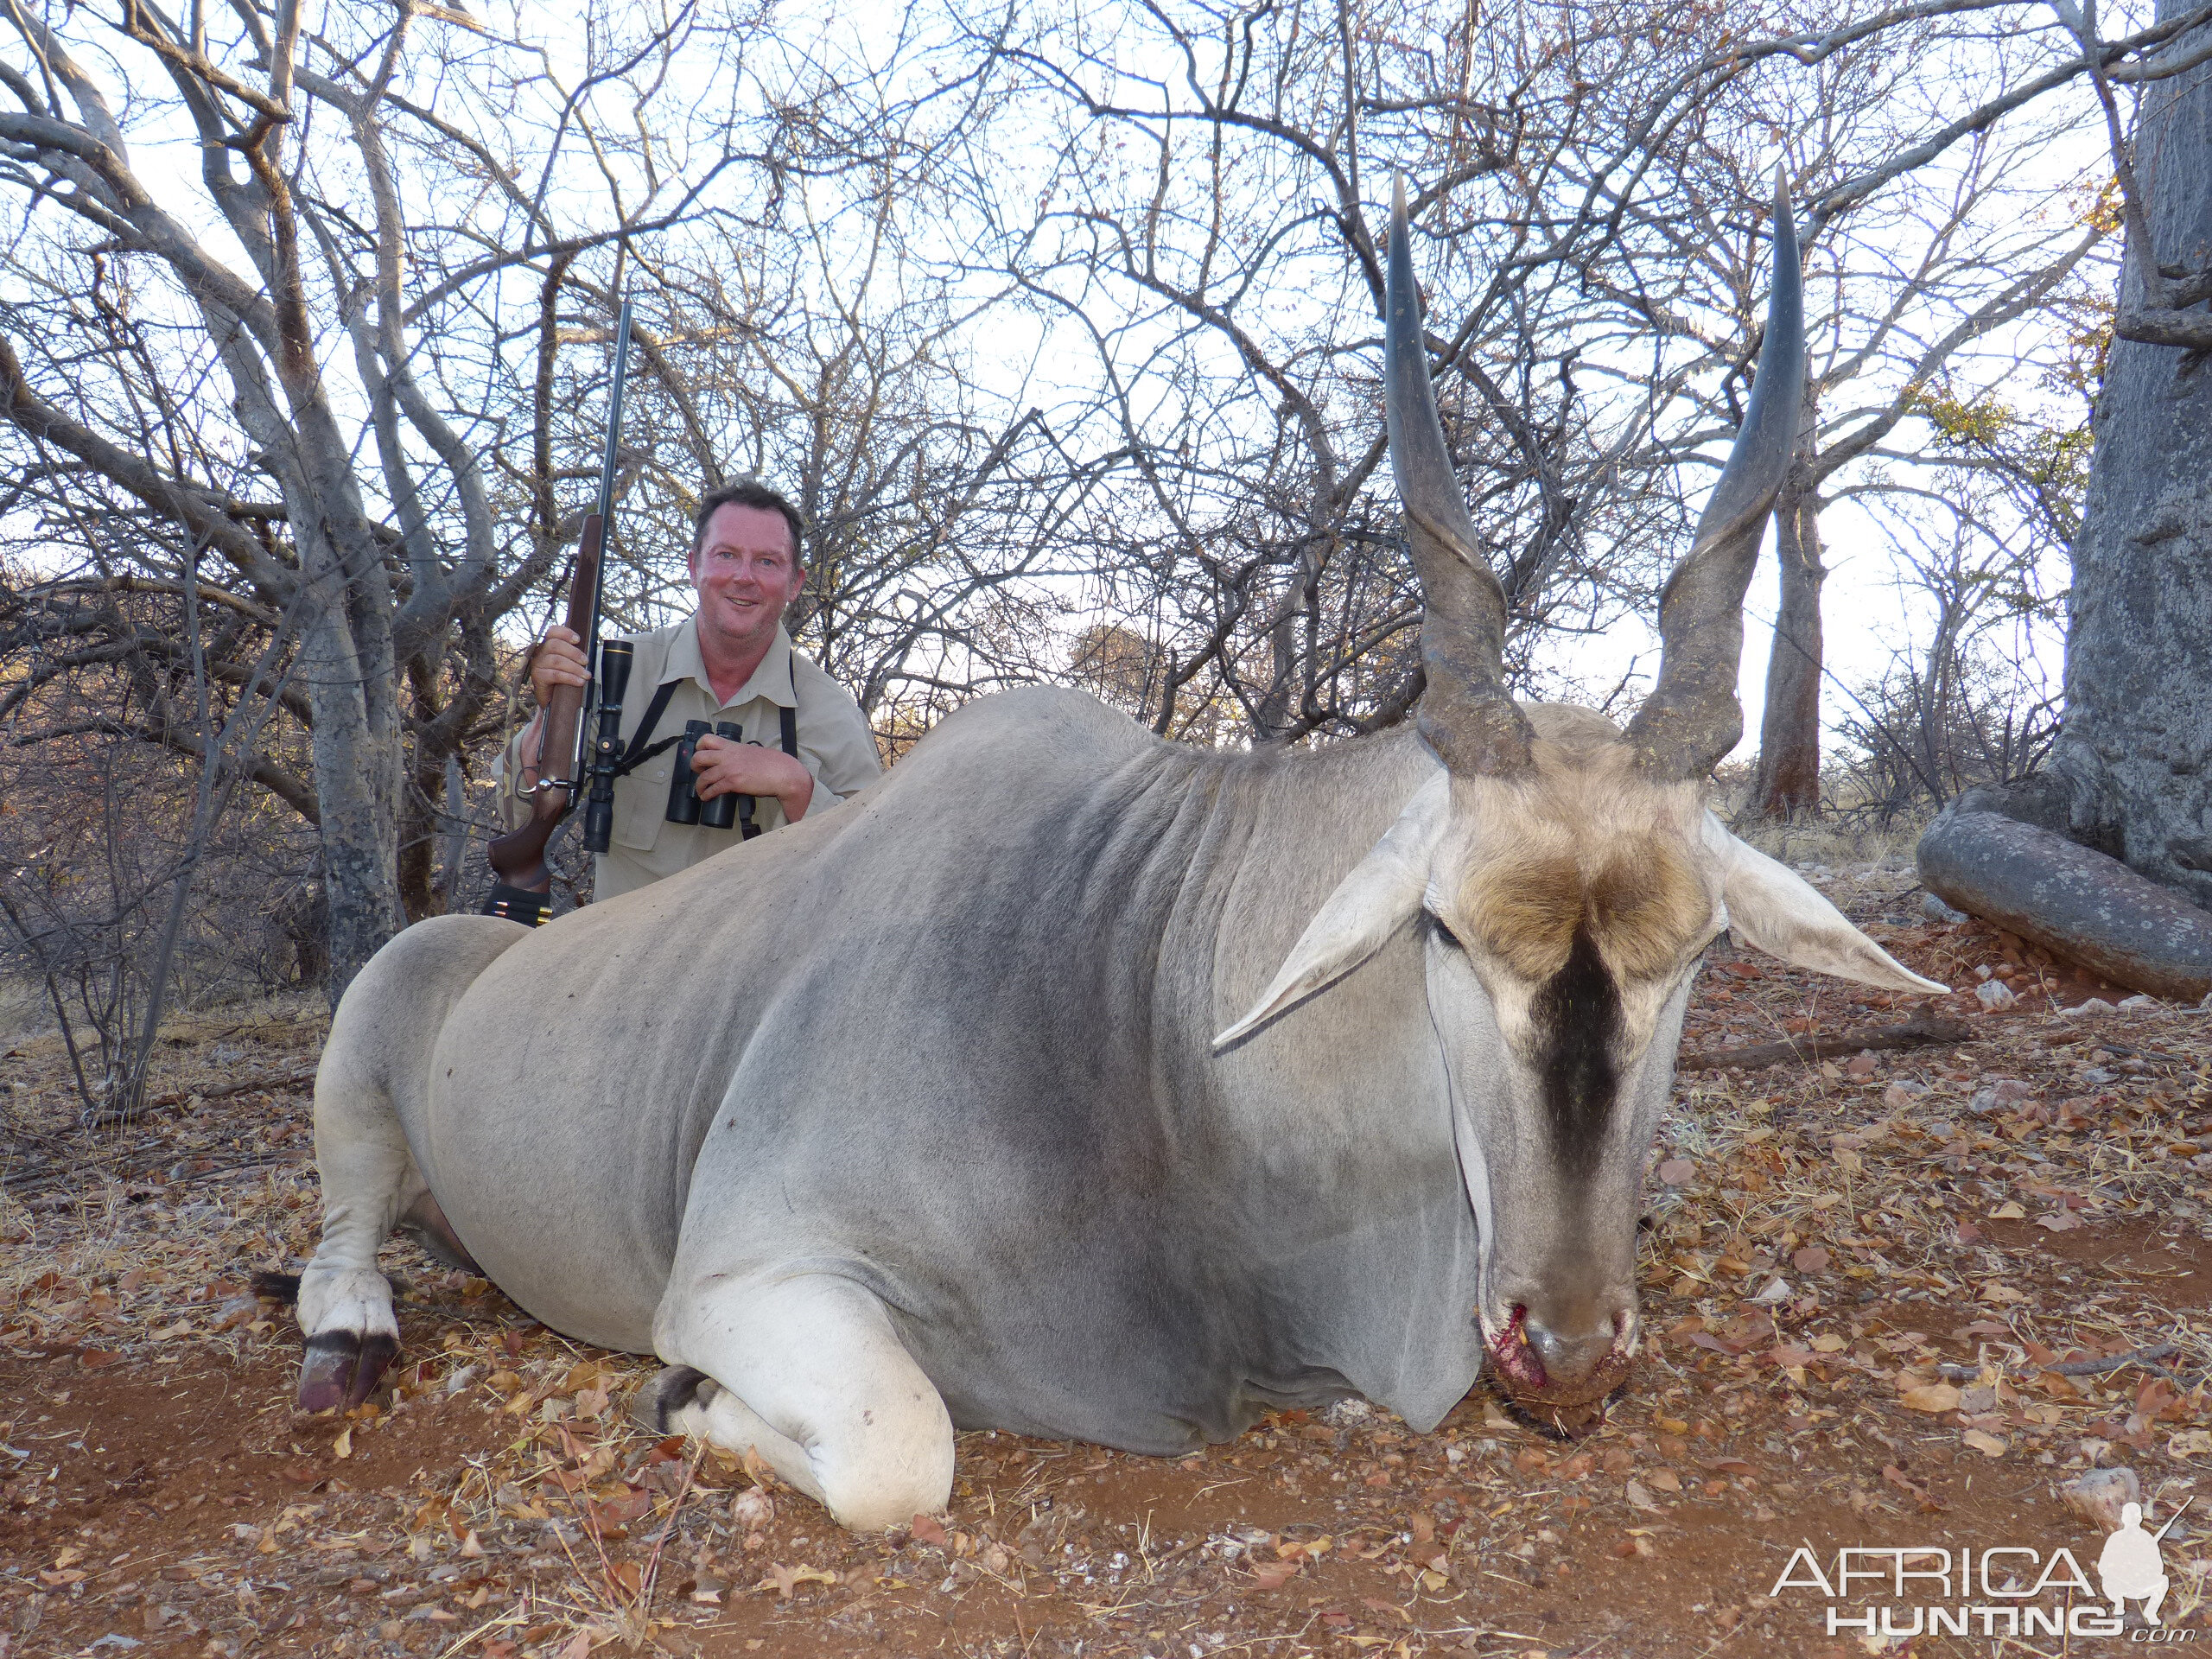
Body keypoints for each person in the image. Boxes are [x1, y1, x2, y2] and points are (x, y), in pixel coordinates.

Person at [501, 477, 880, 900]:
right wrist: (550, 713)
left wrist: (795, 785)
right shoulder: (612, 672)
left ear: (795, 583)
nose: (743, 577)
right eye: (726, 555)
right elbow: (516, 810)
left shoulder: (836, 717)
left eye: (767, 562)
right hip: (617, 956)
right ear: (694, 566)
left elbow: (876, 866)